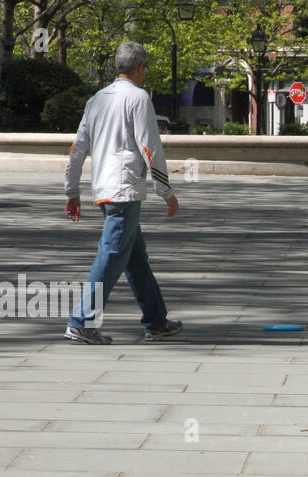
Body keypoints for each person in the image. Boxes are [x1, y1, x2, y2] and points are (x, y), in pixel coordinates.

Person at [62, 41, 181, 344]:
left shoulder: (96, 100)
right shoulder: (139, 98)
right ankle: (81, 322)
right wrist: (166, 191)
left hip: (104, 189)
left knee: (134, 257)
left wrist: (72, 190)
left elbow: (78, 148)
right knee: (112, 255)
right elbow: (150, 146)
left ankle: (156, 321)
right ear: (140, 68)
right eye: (145, 68)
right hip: (125, 190)